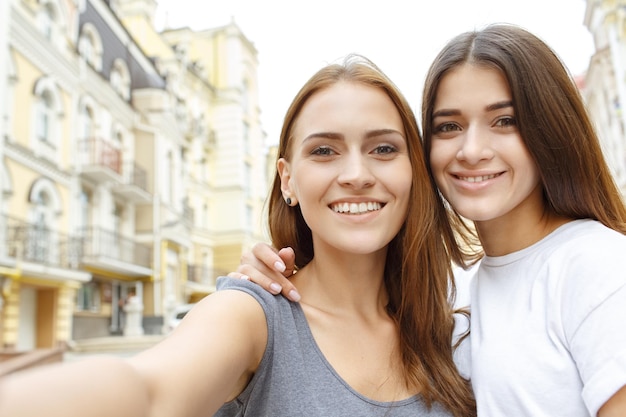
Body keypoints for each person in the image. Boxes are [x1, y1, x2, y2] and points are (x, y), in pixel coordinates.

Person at [0, 54, 476, 417]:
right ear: (287, 180)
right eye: (325, 150)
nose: (356, 173)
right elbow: (147, 391)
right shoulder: (253, 315)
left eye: (383, 148)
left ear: (413, 171)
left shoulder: (445, 333)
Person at [230, 24, 626, 417]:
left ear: (550, 128)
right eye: (448, 126)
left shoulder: (597, 266)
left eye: (504, 121)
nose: (472, 150)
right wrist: (259, 285)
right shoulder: (463, 300)